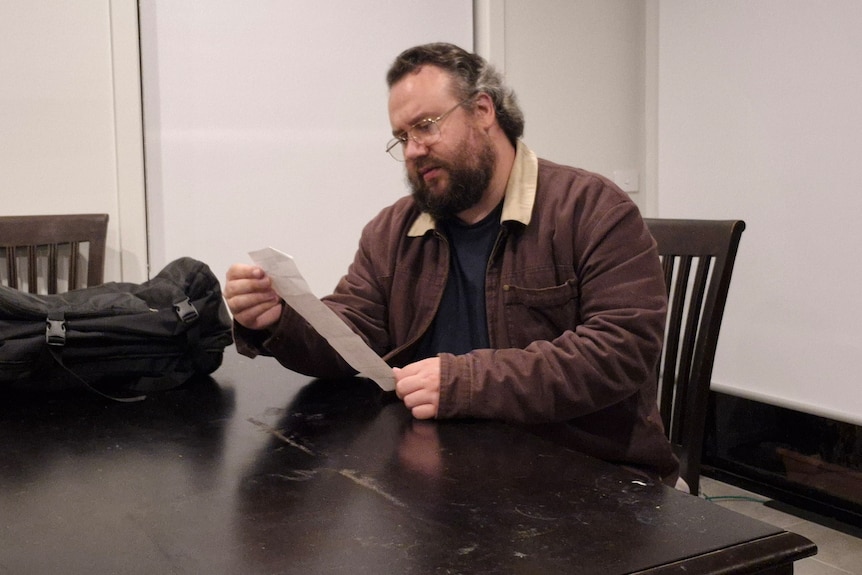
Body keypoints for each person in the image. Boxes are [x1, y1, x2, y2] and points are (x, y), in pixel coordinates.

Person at [224, 42, 679, 485]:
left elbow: (622, 348)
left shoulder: (592, 209)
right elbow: (352, 332)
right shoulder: (392, 231)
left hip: (585, 474)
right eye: (402, 137)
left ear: (483, 111)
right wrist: (281, 320)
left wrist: (468, 382)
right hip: (447, 470)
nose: (412, 150)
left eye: (425, 125)